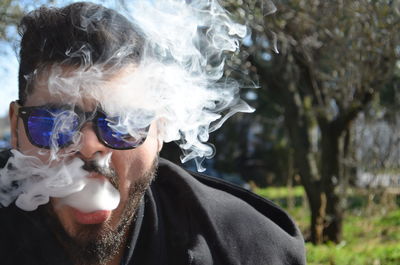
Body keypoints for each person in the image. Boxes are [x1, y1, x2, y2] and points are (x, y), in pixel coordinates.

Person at [0, 2, 306, 265]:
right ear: (16, 127)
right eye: (54, 123)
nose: (89, 145)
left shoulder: (247, 250)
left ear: (159, 130)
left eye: (123, 122)